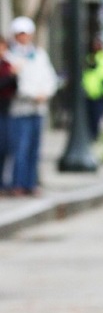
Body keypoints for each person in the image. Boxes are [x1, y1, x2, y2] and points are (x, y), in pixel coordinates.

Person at [6, 16, 58, 197]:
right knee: (20, 148)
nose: (24, 37)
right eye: (20, 34)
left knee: (34, 149)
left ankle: (31, 183)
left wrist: (45, 93)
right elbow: (17, 82)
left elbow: (49, 78)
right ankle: (17, 184)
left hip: (39, 109)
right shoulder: (10, 55)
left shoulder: (40, 54)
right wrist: (33, 95)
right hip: (20, 109)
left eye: (26, 34)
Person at [0, 37, 17, 194]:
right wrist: (10, 77)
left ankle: (4, 183)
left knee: (6, 147)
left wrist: (14, 77)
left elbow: (14, 86)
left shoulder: (7, 64)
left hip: (6, 109)